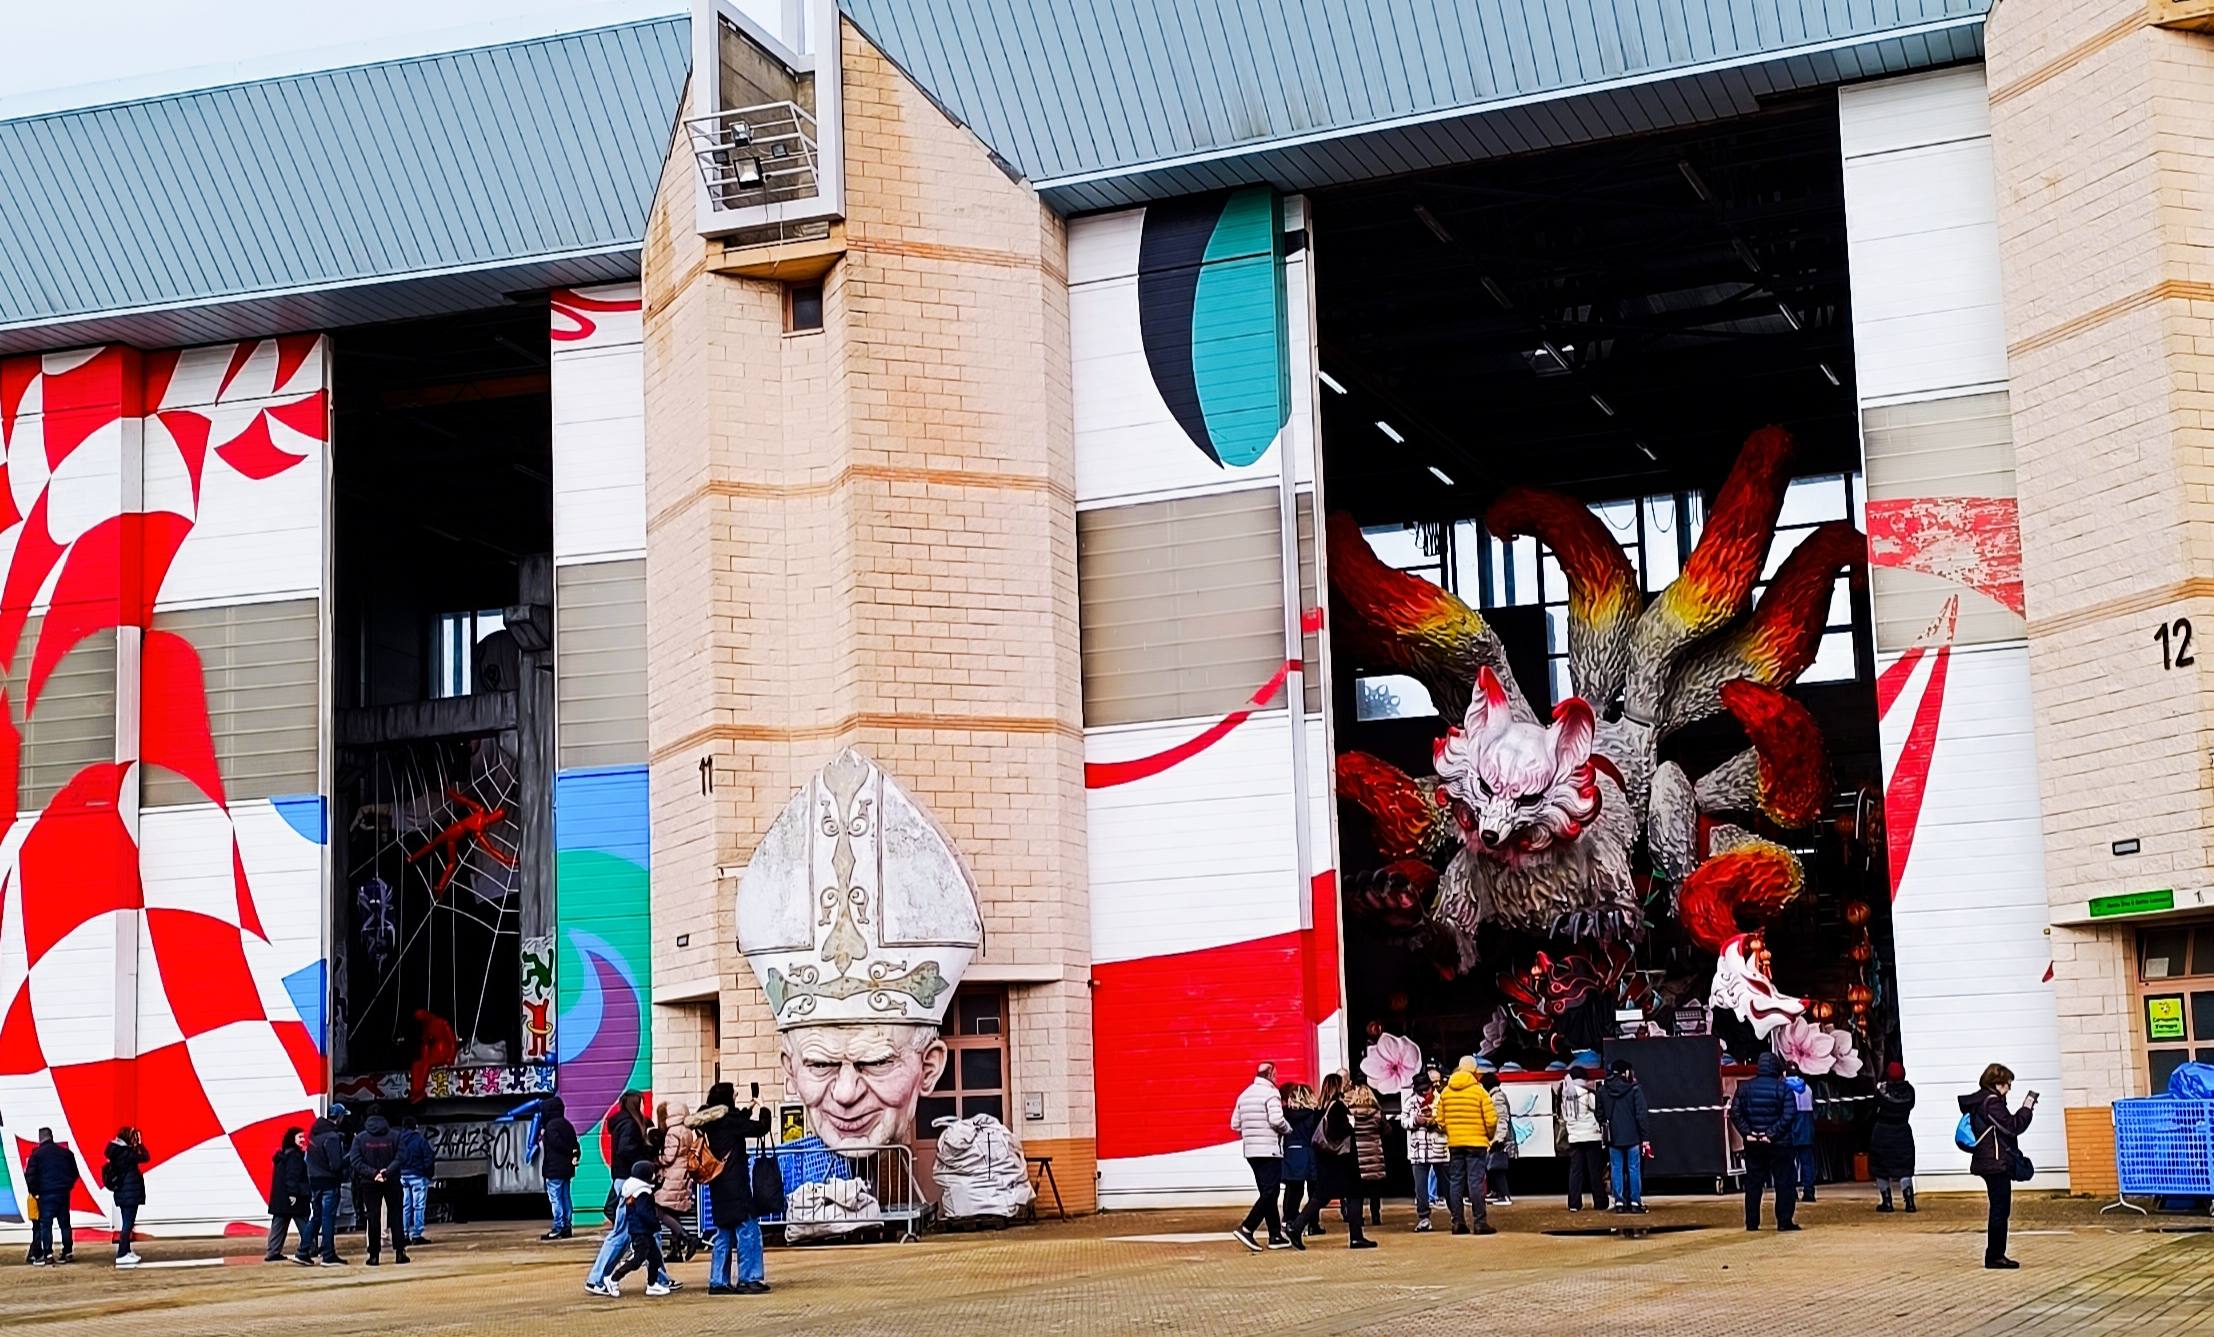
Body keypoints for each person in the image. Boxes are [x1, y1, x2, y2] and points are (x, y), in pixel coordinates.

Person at [696, 1081, 774, 1295]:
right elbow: (760, 1129)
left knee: (724, 1233)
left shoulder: (711, 1121)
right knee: (748, 1230)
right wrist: (763, 1107)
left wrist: (748, 1107)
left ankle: (718, 1281)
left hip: (718, 1184)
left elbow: (735, 1121)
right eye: (734, 1094)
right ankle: (749, 1278)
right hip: (735, 1185)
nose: (736, 1096)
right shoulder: (729, 1121)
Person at [1960, 1063, 2036, 1269]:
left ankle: (1995, 1254)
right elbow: (2012, 1127)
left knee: (1999, 1208)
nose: (2009, 1089)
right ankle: (1994, 1256)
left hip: (1989, 1161)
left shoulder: (1981, 1101)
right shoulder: (1991, 1103)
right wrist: (2026, 1108)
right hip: (1995, 1163)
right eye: (2007, 1084)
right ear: (1997, 1084)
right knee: (2000, 1210)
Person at [1288, 1071, 1373, 1249]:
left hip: (1325, 1161)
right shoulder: (1338, 1108)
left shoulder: (1320, 1109)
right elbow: (1338, 1133)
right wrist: (1350, 1127)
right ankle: (1356, 1236)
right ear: (1337, 1086)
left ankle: (1296, 1227)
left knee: (1321, 1196)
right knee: (1355, 1195)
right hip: (1342, 1162)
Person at [1729, 1052, 1798, 1232]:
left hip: (1754, 1144)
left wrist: (1748, 1132)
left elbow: (1735, 1112)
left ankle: (1752, 1222)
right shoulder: (1783, 1089)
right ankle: (1784, 1221)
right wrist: (1771, 1134)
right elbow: (1789, 1114)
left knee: (1753, 1184)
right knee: (1783, 1182)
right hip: (1779, 1144)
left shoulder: (1745, 1088)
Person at [1229, 1061, 1291, 1251]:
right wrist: (1288, 1129)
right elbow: (1276, 1120)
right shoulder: (1271, 1093)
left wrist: (1251, 1134)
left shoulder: (1244, 1095)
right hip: (1269, 1150)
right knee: (1271, 1192)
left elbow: (1235, 1125)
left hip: (1251, 1151)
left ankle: (1275, 1236)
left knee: (1267, 1192)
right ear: (1271, 1074)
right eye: (1276, 1074)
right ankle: (1247, 1227)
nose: (1277, 1078)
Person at [1434, 1056, 1498, 1236]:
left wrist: (1451, 1132)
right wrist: (1489, 1136)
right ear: (1474, 1071)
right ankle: (1480, 1223)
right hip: (1477, 1144)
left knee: (1456, 1182)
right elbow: (1492, 1120)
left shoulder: (1446, 1092)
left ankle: (1457, 1223)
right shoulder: (1480, 1092)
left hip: (1455, 1144)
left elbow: (1439, 1120)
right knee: (1475, 1183)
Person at [601, 1160, 675, 1298]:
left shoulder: (635, 1189)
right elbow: (643, 1212)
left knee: (655, 1258)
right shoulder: (643, 1192)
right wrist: (654, 1223)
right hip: (641, 1232)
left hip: (642, 1230)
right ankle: (613, 1279)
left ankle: (652, 1285)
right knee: (637, 1260)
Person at [346, 1109, 409, 1265]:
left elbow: (355, 1160)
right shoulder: (395, 1136)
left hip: (369, 1183)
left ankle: (374, 1255)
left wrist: (373, 1173)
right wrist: (387, 1172)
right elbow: (401, 1157)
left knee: (373, 1217)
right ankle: (400, 1252)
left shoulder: (360, 1138)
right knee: (396, 1215)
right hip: (392, 1180)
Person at [654, 1100, 706, 1262]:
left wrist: (656, 1159)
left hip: (672, 1176)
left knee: (659, 1210)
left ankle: (687, 1237)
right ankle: (675, 1250)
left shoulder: (672, 1133)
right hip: (683, 1174)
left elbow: (669, 1157)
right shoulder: (687, 1131)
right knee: (673, 1211)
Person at [1599, 1059, 1652, 1215]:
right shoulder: (1634, 1089)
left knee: (1616, 1169)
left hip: (1613, 1137)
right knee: (1633, 1169)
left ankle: (1619, 1202)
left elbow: (1599, 1114)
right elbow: (1641, 1115)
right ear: (1626, 1072)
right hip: (1633, 1137)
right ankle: (1635, 1201)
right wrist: (1645, 1138)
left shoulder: (1603, 1091)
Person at [1401, 1067, 1449, 1231]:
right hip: (1418, 1151)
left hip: (1439, 1149)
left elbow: (1447, 1122)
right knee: (1420, 1188)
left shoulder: (1441, 1100)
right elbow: (1403, 1121)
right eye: (1420, 1091)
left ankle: (1457, 1215)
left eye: (1426, 1090)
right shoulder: (1410, 1102)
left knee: (1447, 1185)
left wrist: (1433, 1121)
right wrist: (1415, 1121)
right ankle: (1424, 1218)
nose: (1423, 1093)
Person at [1559, 1059, 1609, 1212]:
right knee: (1594, 1171)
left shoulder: (1565, 1096)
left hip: (1574, 1138)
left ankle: (1574, 1203)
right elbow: (1598, 1112)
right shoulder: (1588, 1095)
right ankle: (1600, 1202)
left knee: (1576, 1171)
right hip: (1591, 1137)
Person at [300, 1114, 348, 1264]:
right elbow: (336, 1165)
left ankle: (302, 1251)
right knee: (328, 1218)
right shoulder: (332, 1137)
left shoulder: (314, 1136)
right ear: (339, 1118)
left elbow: (307, 1160)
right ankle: (328, 1254)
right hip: (329, 1182)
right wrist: (350, 1156)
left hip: (314, 1181)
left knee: (317, 1216)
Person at [1871, 1061, 1918, 1213]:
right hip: (1903, 1130)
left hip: (1883, 1131)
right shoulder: (1910, 1092)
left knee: (1881, 1167)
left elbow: (1874, 1106)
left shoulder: (1882, 1091)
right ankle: (1909, 1201)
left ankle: (1887, 1202)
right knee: (1905, 1167)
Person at [24, 1127, 76, 1266]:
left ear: (40, 1139)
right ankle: (68, 1252)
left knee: (46, 1225)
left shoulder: (36, 1155)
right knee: (64, 1223)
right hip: (63, 1193)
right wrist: (67, 1186)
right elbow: (74, 1173)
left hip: (45, 1194)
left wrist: (35, 1192)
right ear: (52, 1137)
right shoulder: (65, 1153)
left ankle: (47, 1254)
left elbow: (30, 1176)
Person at [1278, 1082, 1321, 1241]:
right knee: (1314, 1191)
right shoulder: (1313, 1114)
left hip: (1291, 1152)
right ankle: (1311, 1223)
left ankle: (1288, 1220)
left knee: (1293, 1190)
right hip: (1309, 1153)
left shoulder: (1285, 1114)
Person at [102, 1126, 149, 1267]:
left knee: (126, 1223)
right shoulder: (125, 1153)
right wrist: (140, 1144)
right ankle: (122, 1254)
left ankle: (127, 1251)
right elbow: (145, 1157)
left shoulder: (116, 1151)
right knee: (127, 1224)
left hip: (123, 1192)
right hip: (130, 1193)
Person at [264, 1127, 312, 1265]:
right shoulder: (295, 1156)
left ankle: (273, 1252)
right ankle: (309, 1249)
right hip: (293, 1197)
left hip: (280, 1199)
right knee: (304, 1224)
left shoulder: (282, 1155)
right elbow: (293, 1176)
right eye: (300, 1137)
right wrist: (293, 1193)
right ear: (293, 1139)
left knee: (278, 1225)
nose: (303, 1139)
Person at [605, 1090, 654, 1224]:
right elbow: (626, 1148)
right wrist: (641, 1161)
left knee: (623, 1218)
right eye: (642, 1103)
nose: (644, 1106)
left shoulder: (623, 1122)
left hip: (621, 1173)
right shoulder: (630, 1124)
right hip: (627, 1174)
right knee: (622, 1221)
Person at [537, 1096, 581, 1240]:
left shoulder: (550, 1127)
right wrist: (573, 1154)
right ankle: (567, 1227)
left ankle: (558, 1227)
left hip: (553, 1169)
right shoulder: (568, 1125)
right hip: (566, 1169)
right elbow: (575, 1145)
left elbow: (556, 1144)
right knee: (565, 1197)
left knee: (555, 1198)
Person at [1345, 1077, 1388, 1228]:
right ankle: (1375, 1216)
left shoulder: (1350, 1114)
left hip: (1357, 1154)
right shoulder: (1377, 1113)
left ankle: (1357, 1217)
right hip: (1374, 1153)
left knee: (1358, 1189)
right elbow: (1387, 1130)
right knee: (1375, 1188)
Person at [395, 1115, 437, 1245]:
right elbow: (429, 1158)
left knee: (405, 1206)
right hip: (418, 1176)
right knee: (419, 1206)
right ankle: (417, 1235)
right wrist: (428, 1175)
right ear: (415, 1126)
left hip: (402, 1176)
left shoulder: (398, 1139)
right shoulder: (420, 1140)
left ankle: (404, 1234)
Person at [1480, 1071, 1516, 1205]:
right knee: (1491, 1166)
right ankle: (1495, 1192)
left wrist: (1498, 1139)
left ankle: (1504, 1195)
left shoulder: (1497, 1097)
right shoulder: (1494, 1096)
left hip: (1499, 1139)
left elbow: (1502, 1119)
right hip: (1494, 1138)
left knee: (1497, 1167)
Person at [1785, 1067, 1817, 1203]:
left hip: (1790, 1127)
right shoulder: (1807, 1088)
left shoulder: (1784, 1088)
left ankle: (1791, 1191)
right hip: (1806, 1127)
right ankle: (1809, 1191)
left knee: (1789, 1162)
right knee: (1807, 1162)